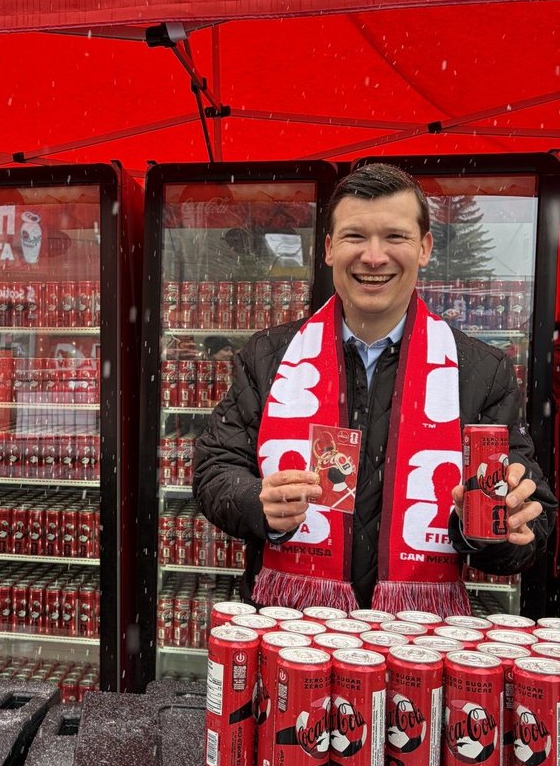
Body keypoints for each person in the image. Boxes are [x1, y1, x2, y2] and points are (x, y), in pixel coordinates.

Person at [192, 163, 557, 616]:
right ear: (329, 248)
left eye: (395, 236)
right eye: (355, 236)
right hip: (293, 628)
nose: (374, 256)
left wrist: (496, 526)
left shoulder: (481, 371)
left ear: (424, 248)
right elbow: (215, 469)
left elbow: (533, 516)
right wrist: (257, 503)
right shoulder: (268, 356)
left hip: (419, 635)